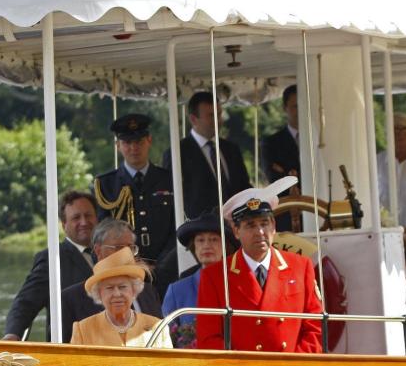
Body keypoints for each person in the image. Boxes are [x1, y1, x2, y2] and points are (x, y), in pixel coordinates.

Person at [196, 179, 323, 353]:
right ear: (236, 231)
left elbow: (315, 327)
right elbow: (209, 338)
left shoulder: (300, 267)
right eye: (250, 225)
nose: (260, 232)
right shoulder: (216, 276)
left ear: (273, 227)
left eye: (264, 223)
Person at [92, 113, 178, 295]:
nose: (133, 148)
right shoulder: (106, 184)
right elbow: (102, 233)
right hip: (123, 273)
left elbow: (176, 228)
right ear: (118, 146)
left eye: (138, 142)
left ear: (149, 140)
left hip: (166, 272)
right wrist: (130, 262)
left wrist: (161, 265)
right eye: (127, 143)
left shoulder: (170, 180)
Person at [2, 190, 98, 342]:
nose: (84, 222)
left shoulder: (110, 253)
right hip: (69, 350)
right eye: (76, 217)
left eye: (88, 215)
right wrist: (13, 335)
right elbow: (25, 303)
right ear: (64, 224)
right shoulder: (52, 258)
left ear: (97, 218)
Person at [60, 218, 163, 343]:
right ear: (98, 251)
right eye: (119, 247)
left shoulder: (148, 291)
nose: (126, 253)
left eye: (130, 248)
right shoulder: (71, 299)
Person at [163, 91, 251, 220]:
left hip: (235, 226)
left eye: (219, 114)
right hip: (201, 230)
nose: (218, 120)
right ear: (193, 119)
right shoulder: (178, 153)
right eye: (211, 116)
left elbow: (244, 187)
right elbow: (172, 197)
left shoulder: (231, 149)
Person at [162, 210, 237, 348]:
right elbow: (165, 341)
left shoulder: (240, 284)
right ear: (194, 246)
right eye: (200, 240)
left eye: (214, 239)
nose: (206, 245)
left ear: (226, 246)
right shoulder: (177, 290)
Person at [71, 246, 172, 348]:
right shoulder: (83, 329)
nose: (117, 293)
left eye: (122, 287)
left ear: (133, 290)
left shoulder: (157, 327)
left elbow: (169, 364)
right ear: (99, 294)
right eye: (109, 288)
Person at [262, 84, 300, 232]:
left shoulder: (321, 140)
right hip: (285, 218)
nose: (300, 110)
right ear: (285, 108)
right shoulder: (271, 143)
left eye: (303, 105)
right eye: (295, 106)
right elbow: (274, 179)